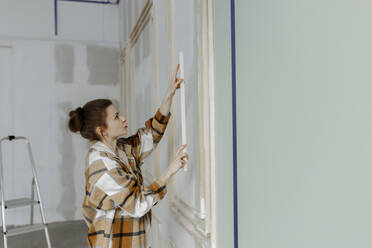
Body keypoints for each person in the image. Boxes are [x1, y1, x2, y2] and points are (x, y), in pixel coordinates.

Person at [68, 65, 188, 248]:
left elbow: (151, 136)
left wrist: (169, 96)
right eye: (116, 117)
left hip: (133, 239)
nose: (123, 118)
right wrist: (170, 171)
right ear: (102, 131)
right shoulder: (101, 165)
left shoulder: (121, 148)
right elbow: (138, 204)